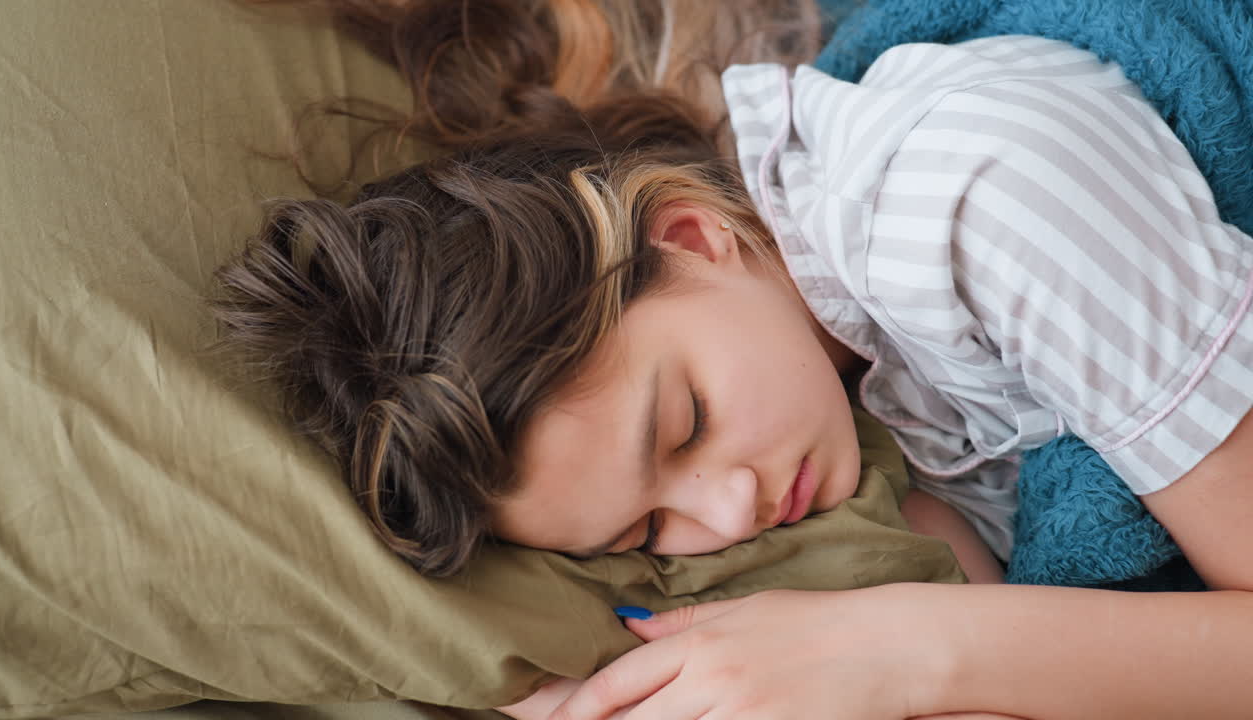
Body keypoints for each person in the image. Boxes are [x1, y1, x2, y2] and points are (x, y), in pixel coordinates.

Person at [212, 1, 1253, 718]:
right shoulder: (844, 387)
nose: (727, 513)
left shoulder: (984, 193)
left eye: (684, 426)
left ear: (691, 236)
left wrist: (909, 644)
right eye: (646, 529)